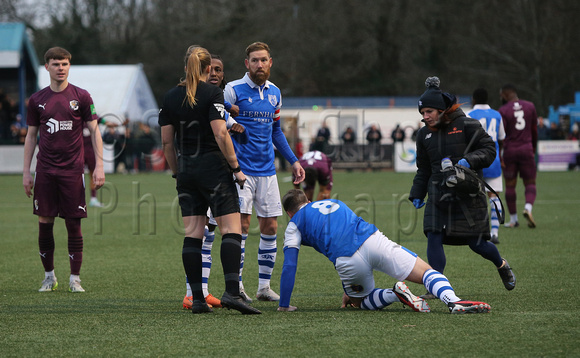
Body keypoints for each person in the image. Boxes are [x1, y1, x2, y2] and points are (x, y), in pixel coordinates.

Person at [159, 45, 260, 314]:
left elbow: (167, 143)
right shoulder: (212, 93)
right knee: (232, 230)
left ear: (185, 68)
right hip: (213, 170)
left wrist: (177, 172)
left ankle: (198, 300)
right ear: (207, 69)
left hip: (187, 171)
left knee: (193, 235)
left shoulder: (170, 97)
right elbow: (220, 134)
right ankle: (231, 293)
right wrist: (236, 168)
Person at [277, 189, 491, 314]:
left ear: (289, 213)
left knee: (358, 302)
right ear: (309, 200)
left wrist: (284, 305)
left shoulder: (293, 225)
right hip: (373, 240)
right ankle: (452, 300)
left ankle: (394, 294)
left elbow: (289, 266)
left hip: (348, 260)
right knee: (426, 272)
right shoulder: (332, 201)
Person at [409, 77, 516, 298]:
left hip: (467, 194)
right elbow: (424, 169)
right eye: (422, 113)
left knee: (477, 244)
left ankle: (501, 264)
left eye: (429, 111)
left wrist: (469, 160)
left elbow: (489, 149)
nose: (425, 117)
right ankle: (436, 285)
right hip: (438, 193)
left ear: (441, 109)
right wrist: (417, 193)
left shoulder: (467, 125)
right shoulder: (423, 134)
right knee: (433, 234)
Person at [224, 41, 305, 302]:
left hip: (268, 171)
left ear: (271, 62)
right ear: (246, 64)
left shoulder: (275, 93)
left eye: (264, 60)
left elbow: (276, 131)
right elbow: (218, 120)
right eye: (255, 60)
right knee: (242, 226)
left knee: (270, 227)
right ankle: (236, 286)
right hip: (241, 171)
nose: (260, 64)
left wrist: (293, 161)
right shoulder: (232, 90)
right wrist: (231, 121)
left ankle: (263, 287)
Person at [23, 47, 105, 293]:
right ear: (47, 67)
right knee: (45, 221)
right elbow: (30, 136)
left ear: (70, 66)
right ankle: (49, 277)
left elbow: (95, 131)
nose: (61, 68)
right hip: (46, 172)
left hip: (73, 171)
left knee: (73, 223)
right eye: (56, 64)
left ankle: (75, 278)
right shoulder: (37, 100)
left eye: (65, 64)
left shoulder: (81, 96)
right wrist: (26, 172)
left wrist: (99, 165)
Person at [182, 53, 247, 311]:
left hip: (202, 172)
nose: (215, 74)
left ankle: (205, 292)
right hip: (215, 173)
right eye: (212, 69)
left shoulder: (218, 102)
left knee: (207, 233)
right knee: (210, 233)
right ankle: (197, 292)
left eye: (220, 70)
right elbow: (219, 129)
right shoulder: (207, 99)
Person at [467, 88, 505, 244]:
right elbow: (502, 138)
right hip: (493, 159)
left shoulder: (469, 115)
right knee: (494, 197)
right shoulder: (497, 115)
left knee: (474, 197)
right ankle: (494, 232)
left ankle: (475, 230)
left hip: (475, 161)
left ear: (474, 99)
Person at [499, 83, 539, 228]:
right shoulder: (530, 106)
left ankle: (514, 220)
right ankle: (528, 208)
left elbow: (501, 136)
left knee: (510, 185)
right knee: (530, 182)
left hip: (510, 150)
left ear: (505, 94)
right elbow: (534, 130)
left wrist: (500, 155)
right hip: (526, 148)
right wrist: (532, 148)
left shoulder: (503, 110)